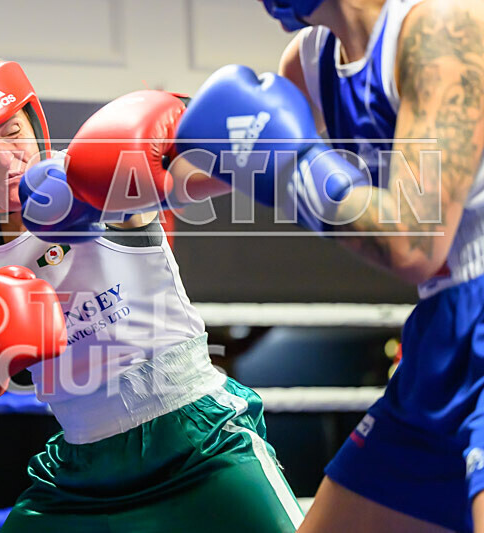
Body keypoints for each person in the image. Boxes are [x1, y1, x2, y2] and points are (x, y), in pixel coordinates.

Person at [0, 56, 303, 532]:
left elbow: (201, 178)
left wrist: (254, 146)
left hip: (199, 439)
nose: (6, 157)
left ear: (34, 124)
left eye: (12, 133)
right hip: (83, 469)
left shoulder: (95, 173)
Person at [175, 0, 484, 530]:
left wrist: (296, 166)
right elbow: (204, 169)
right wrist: (86, 182)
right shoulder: (312, 59)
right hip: (441, 334)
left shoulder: (441, 29)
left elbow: (414, 243)